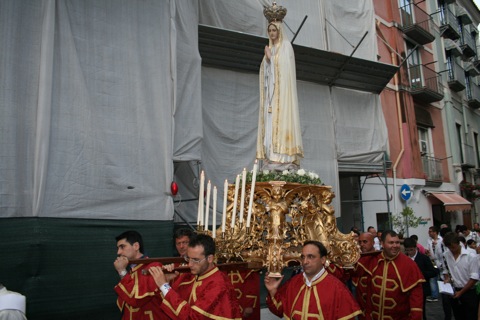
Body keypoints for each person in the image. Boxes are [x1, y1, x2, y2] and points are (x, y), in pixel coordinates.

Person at [256, 2, 303, 170]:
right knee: (269, 126)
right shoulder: (271, 47)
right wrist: (267, 60)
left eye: (274, 30)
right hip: (271, 96)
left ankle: (283, 157)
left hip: (282, 96)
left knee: (282, 124)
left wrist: (272, 58)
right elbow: (265, 72)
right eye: (269, 30)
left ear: (279, 30)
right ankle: (271, 157)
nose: (271, 33)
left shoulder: (286, 46)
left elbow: (285, 69)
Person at [149, 234, 241, 319]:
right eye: (188, 258)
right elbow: (170, 306)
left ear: (210, 258)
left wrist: (164, 285)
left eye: (196, 260)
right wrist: (167, 281)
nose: (190, 264)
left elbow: (192, 317)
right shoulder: (191, 275)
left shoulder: (219, 284)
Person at [264, 240, 361, 319]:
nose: (305, 262)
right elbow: (279, 310)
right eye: (303, 257)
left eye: (311, 257)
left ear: (323, 260)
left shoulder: (338, 289)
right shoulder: (293, 283)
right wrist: (273, 291)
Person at [357, 230, 425, 320]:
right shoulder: (372, 259)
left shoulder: (409, 264)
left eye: (397, 242)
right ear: (382, 243)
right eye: (391, 243)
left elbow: (416, 296)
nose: (395, 246)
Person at [113, 230, 168, 319]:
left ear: (136, 246)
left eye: (122, 247)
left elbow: (136, 300)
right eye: (118, 248)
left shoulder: (153, 267)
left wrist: (122, 271)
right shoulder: (131, 270)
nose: (118, 252)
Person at [442, 232, 479, 320]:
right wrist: (447, 279)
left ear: (458, 243)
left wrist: (461, 292)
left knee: (471, 316)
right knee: (458, 316)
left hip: (469, 291)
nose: (452, 250)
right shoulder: (446, 255)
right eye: (449, 248)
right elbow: (446, 270)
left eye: (453, 247)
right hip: (454, 290)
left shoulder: (471, 255)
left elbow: (474, 278)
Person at [404, 238, 437, 320]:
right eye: (407, 250)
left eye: (411, 250)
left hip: (421, 288)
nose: (410, 252)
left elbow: (433, 272)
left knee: (420, 310)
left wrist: (421, 274)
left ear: (416, 248)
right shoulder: (404, 258)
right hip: (407, 289)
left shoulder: (423, 258)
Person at [353, 232, 376, 319]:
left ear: (373, 243)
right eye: (360, 242)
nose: (362, 244)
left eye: (365, 242)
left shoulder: (379, 258)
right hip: (361, 303)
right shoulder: (356, 257)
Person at [425, 226, 442, 303]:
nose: (429, 233)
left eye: (430, 231)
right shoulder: (429, 240)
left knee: (441, 277)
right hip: (432, 260)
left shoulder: (441, 240)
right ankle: (434, 295)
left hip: (440, 261)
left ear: (435, 232)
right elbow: (427, 248)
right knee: (433, 278)